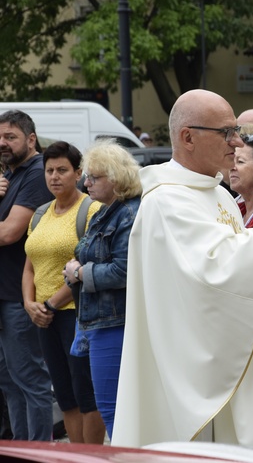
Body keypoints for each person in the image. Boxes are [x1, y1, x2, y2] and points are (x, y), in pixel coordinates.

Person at [112, 89, 253, 450]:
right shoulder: (166, 201)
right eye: (226, 132)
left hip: (223, 364)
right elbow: (218, 271)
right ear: (188, 137)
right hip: (188, 371)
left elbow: (242, 268)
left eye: (237, 132)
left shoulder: (217, 195)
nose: (236, 142)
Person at [22, 141, 105, 444]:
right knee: (65, 396)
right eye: (49, 171)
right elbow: (30, 264)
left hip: (77, 315)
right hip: (45, 317)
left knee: (86, 393)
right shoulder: (41, 212)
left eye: (62, 170)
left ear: (78, 173)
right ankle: (74, 454)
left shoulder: (92, 210)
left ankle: (91, 456)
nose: (54, 177)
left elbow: (89, 265)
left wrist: (50, 305)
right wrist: (29, 304)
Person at [61, 140, 142, 438]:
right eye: (88, 176)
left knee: (112, 409)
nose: (86, 182)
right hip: (97, 320)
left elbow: (124, 270)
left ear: (117, 179)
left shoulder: (128, 214)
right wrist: (76, 269)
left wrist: (81, 272)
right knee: (109, 406)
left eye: (95, 177)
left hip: (113, 322)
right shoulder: (106, 211)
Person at [0, 109, 55, 441]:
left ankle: (39, 452)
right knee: (9, 381)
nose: (3, 143)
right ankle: (20, 450)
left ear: (31, 139)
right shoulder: (10, 174)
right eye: (0, 137)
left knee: (30, 380)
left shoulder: (36, 173)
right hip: (4, 296)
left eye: (11, 137)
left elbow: (9, 233)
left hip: (21, 298)